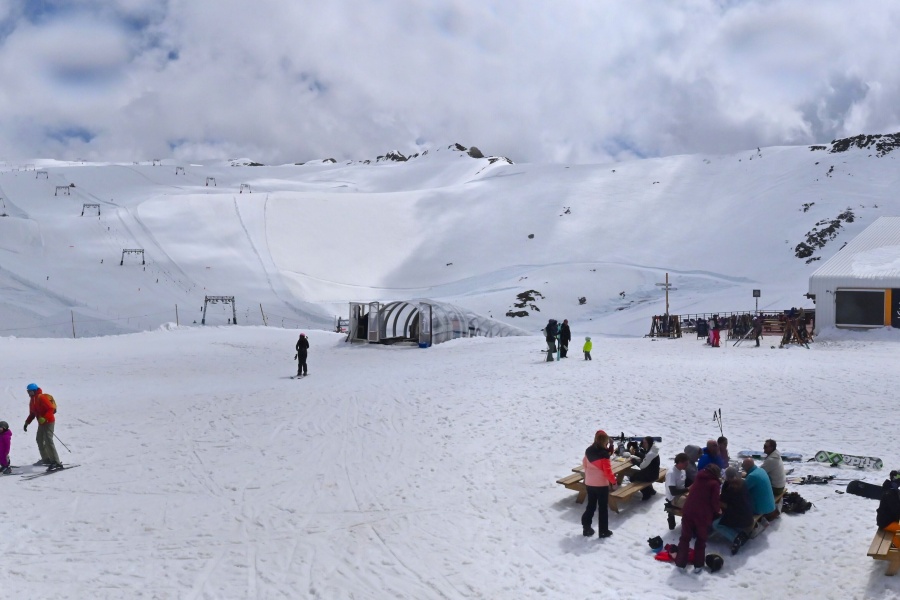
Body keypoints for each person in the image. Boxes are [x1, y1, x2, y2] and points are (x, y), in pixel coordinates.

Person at [675, 464, 721, 571]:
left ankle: (681, 563)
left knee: (685, 537)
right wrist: (718, 510)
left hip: (688, 510)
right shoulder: (714, 484)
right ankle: (698, 564)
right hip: (702, 514)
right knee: (701, 539)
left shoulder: (699, 477)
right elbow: (714, 502)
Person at [582, 430, 618, 538]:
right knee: (602, 508)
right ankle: (603, 531)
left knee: (591, 505)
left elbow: (584, 464)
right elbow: (608, 472)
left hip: (590, 483)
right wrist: (614, 482)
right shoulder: (604, 455)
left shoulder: (589, 450)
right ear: (605, 441)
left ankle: (586, 527)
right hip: (601, 485)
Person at [713, 467, 754, 554]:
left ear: (727, 477)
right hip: (748, 515)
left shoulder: (731, 488)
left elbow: (721, 502)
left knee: (716, 524)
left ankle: (736, 538)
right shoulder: (743, 482)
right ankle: (741, 533)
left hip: (740, 517)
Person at [23, 383, 62, 471]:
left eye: (30, 391)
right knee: (39, 439)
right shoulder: (32, 400)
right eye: (28, 391)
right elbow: (32, 414)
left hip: (49, 421)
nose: (29, 393)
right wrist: (27, 423)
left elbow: (51, 408)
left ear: (35, 390)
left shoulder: (41, 397)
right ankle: (46, 459)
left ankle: (56, 462)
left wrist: (45, 418)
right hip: (41, 423)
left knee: (48, 441)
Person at [742, 458, 776, 525]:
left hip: (761, 509)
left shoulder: (752, 476)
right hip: (770, 504)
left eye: (743, 466)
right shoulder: (761, 470)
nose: (743, 468)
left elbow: (741, 489)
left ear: (746, 467)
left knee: (739, 501)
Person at [876, 471, 900, 548]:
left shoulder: (893, 490)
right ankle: (895, 546)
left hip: (890, 520)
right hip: (886, 522)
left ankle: (896, 544)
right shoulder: (889, 493)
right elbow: (896, 510)